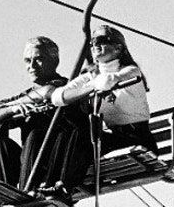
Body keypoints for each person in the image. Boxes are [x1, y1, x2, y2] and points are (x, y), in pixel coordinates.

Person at [30, 24, 158, 196]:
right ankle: (51, 183)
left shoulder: (131, 71)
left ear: (118, 47)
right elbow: (57, 96)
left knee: (81, 125)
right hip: (115, 136)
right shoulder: (91, 76)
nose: (95, 45)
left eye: (102, 41)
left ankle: (64, 188)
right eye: (92, 42)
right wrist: (88, 86)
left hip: (136, 138)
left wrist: (83, 90)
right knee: (71, 124)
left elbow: (107, 81)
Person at [0, 36, 68, 191]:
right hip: (29, 160)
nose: (32, 66)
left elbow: (46, 93)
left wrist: (9, 107)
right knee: (0, 143)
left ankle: (28, 191)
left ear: (54, 61)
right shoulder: (23, 96)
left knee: (35, 135)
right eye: (27, 61)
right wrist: (11, 110)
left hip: (56, 160)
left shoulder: (64, 86)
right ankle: (5, 193)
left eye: (38, 59)